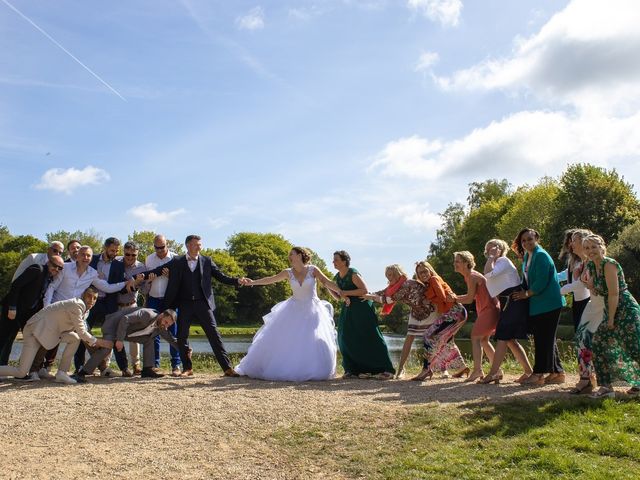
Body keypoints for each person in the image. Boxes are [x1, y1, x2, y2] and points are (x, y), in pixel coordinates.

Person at [235, 247, 341, 381]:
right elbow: (270, 279)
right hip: (293, 308)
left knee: (312, 340)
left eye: (292, 254)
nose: (290, 256)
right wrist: (253, 282)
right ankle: (289, 368)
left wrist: (343, 293)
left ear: (300, 255)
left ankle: (313, 368)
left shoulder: (313, 269)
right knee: (288, 340)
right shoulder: (288, 272)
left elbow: (327, 282)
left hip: (313, 309)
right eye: (290, 255)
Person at [162, 235, 250, 377]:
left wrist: (238, 281)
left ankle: (227, 368)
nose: (199, 247)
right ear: (188, 246)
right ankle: (187, 368)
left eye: (200, 245)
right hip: (184, 304)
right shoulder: (177, 261)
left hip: (203, 303)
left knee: (214, 335)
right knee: (182, 336)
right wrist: (141, 276)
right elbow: (161, 269)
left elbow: (221, 276)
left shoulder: (207, 261)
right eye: (196, 244)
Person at [43, 246, 136, 375]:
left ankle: (103, 369)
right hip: (57, 310)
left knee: (88, 339)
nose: (85, 258)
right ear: (77, 256)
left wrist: (125, 283)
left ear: (91, 258)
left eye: (88, 256)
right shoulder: (66, 267)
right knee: (47, 337)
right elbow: (52, 287)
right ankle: (37, 369)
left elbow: (107, 287)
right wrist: (47, 308)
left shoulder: (92, 273)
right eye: (83, 255)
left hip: (76, 313)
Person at [0, 287, 112, 384]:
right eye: (89, 296)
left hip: (51, 333)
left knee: (74, 338)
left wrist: (96, 344)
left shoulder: (86, 311)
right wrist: (100, 342)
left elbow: (82, 333)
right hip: (34, 331)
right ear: (83, 296)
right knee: (21, 372)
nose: (91, 300)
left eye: (95, 298)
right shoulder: (77, 305)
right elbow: (82, 331)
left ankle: (61, 373)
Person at [583, 234, 640, 398]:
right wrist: (592, 286)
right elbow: (598, 289)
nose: (590, 251)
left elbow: (614, 294)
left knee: (634, 346)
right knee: (599, 343)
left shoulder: (609, 264)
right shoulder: (593, 266)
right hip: (611, 309)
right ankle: (606, 386)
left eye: (594, 247)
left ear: (602, 247)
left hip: (625, 308)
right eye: (587, 248)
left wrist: (610, 319)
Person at [511, 228, 565, 386]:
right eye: (523, 240)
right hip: (539, 304)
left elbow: (541, 282)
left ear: (537, 239)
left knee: (543, 339)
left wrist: (526, 294)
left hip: (549, 303)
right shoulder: (528, 256)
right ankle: (557, 373)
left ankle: (538, 374)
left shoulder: (541, 255)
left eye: (529, 239)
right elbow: (527, 278)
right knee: (546, 339)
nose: (526, 242)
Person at [364, 264, 436, 378]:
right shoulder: (394, 287)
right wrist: (365, 294)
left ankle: (441, 368)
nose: (389, 278)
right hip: (416, 312)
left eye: (391, 275)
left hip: (429, 310)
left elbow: (388, 300)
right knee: (409, 338)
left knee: (436, 338)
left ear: (398, 274)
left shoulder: (407, 284)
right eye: (387, 275)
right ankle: (401, 369)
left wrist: (370, 297)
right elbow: (381, 293)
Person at [476, 239, 533, 385]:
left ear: (500, 249)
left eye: (493, 248)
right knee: (510, 340)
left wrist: (491, 257)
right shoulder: (497, 263)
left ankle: (493, 373)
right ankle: (528, 372)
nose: (490, 251)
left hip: (514, 300)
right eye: (488, 250)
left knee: (503, 336)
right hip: (508, 302)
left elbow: (488, 274)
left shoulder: (503, 261)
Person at [331, 251, 394, 380]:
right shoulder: (337, 276)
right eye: (333, 260)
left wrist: (344, 292)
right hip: (348, 308)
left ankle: (386, 369)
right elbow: (338, 296)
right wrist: (329, 287)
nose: (333, 262)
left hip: (362, 306)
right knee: (344, 337)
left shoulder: (353, 273)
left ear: (344, 261)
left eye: (336, 260)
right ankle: (353, 369)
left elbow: (364, 290)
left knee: (371, 335)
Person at [76, 307, 180, 381]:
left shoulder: (161, 327)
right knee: (107, 347)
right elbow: (125, 319)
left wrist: (185, 350)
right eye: (166, 322)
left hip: (127, 332)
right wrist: (119, 340)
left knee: (149, 340)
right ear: (161, 315)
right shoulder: (147, 314)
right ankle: (83, 372)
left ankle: (147, 369)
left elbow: (171, 340)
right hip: (113, 326)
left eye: (168, 325)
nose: (166, 326)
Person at [0, 255, 65, 371]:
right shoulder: (37, 269)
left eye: (60, 268)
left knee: (13, 340)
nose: (56, 269)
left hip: (24, 313)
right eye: (55, 266)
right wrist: (12, 307)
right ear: (48, 262)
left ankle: (5, 369)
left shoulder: (48, 278)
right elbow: (16, 285)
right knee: (3, 339)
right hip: (12, 310)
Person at [413, 261, 468, 381]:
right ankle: (462, 368)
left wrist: (429, 299)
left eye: (424, 271)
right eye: (419, 273)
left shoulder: (433, 279)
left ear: (430, 270)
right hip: (457, 312)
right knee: (447, 341)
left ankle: (426, 370)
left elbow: (443, 298)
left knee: (428, 335)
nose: (422, 274)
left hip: (454, 311)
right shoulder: (430, 283)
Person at [449, 251, 498, 382]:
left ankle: (478, 370)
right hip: (487, 309)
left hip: (489, 309)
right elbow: (469, 297)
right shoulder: (469, 276)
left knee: (475, 337)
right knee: (483, 340)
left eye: (457, 261)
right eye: (455, 261)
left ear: (466, 263)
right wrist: (455, 298)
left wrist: (454, 299)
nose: (455, 264)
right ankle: (497, 370)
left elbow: (469, 299)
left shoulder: (472, 276)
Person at [144, 234, 181, 376]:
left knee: (173, 331)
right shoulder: (149, 259)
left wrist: (171, 277)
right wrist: (149, 280)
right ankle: (154, 364)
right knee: (153, 331)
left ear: (167, 245)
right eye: (156, 247)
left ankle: (176, 365)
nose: (159, 250)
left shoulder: (175, 258)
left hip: (170, 300)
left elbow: (181, 282)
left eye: (162, 247)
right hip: (153, 298)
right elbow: (145, 281)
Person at [116, 241, 148, 375]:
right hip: (116, 306)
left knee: (134, 336)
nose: (129, 257)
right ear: (123, 252)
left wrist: (141, 282)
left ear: (137, 254)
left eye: (133, 255)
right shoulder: (116, 263)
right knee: (115, 337)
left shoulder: (142, 267)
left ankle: (136, 365)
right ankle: (116, 367)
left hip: (132, 305)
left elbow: (146, 290)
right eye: (127, 254)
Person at [558, 229, 592, 331]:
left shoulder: (587, 262)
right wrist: (551, 278)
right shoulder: (579, 262)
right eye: (570, 241)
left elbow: (581, 284)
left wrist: (559, 291)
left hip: (588, 302)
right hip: (578, 301)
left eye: (573, 240)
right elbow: (566, 274)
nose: (570, 244)